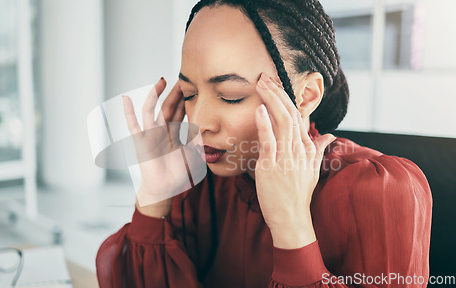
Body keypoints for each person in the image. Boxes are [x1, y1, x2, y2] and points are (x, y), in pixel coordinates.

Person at [96, 0, 432, 287]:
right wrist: (153, 200)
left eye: (231, 96)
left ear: (307, 94)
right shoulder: (194, 181)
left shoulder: (383, 192)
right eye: (189, 94)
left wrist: (291, 228)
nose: (199, 122)